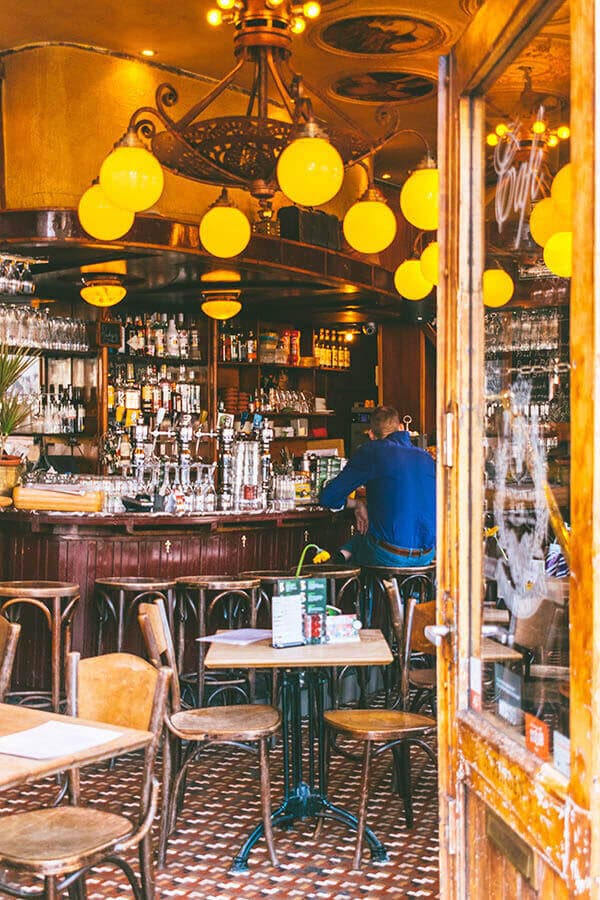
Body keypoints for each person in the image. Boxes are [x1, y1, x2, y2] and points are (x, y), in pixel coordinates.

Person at [319, 405, 435, 567]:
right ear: (401, 428)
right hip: (427, 556)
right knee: (364, 539)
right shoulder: (426, 457)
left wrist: (357, 504)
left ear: (372, 435)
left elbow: (329, 497)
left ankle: (342, 564)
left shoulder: (371, 451)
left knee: (355, 551)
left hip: (389, 555)